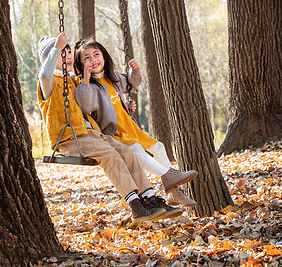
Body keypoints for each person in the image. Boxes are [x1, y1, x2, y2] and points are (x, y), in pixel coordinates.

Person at [37, 32, 183, 223]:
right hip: (69, 139)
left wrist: (123, 106)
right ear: (51, 58)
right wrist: (56, 46)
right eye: (61, 53)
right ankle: (135, 205)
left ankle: (150, 199)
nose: (68, 55)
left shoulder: (73, 81)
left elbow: (95, 100)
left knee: (128, 153)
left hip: (92, 134)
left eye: (68, 51)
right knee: (110, 156)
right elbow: (44, 72)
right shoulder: (47, 82)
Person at [73, 39, 197, 207]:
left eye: (96, 54)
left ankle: (175, 193)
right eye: (86, 58)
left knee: (159, 147)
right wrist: (86, 79)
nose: (93, 60)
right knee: (138, 152)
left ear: (104, 57)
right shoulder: (88, 86)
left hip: (130, 127)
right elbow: (86, 106)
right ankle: (169, 175)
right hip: (113, 133)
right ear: (81, 64)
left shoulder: (114, 77)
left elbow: (132, 83)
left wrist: (135, 70)